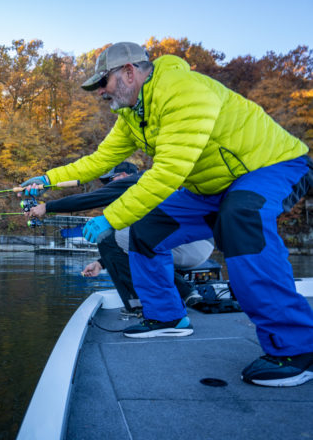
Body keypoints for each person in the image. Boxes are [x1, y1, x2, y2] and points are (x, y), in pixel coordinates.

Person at [20, 42, 313, 387]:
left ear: (129, 72)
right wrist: (48, 178)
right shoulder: (131, 115)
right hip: (211, 186)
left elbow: (168, 173)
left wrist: (110, 218)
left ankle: (298, 349)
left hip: (272, 166)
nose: (99, 91)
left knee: (241, 217)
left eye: (103, 82)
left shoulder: (183, 91)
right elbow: (98, 161)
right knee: (145, 229)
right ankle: (167, 318)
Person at [28, 161, 213, 315]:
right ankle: (186, 292)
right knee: (128, 233)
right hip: (197, 243)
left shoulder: (136, 181)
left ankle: (138, 306)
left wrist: (47, 207)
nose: (108, 185)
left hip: (189, 245)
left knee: (106, 236)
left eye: (110, 180)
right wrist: (101, 263)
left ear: (124, 175)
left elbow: (90, 198)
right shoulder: (150, 188)